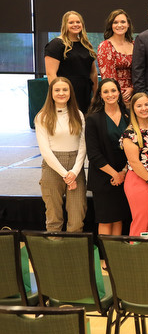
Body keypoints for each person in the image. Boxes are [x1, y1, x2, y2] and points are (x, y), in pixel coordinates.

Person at [35, 77, 87, 232]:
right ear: (51, 93)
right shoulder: (42, 117)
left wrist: (74, 172)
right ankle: (54, 253)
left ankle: (74, 253)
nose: (61, 93)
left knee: (77, 217)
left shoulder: (78, 115)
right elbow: (45, 151)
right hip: (52, 168)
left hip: (75, 168)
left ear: (70, 92)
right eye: (57, 90)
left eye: (65, 89)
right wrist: (65, 174)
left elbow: (83, 146)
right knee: (53, 217)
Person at [85, 78, 130, 236]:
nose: (110, 94)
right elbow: (93, 154)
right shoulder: (93, 119)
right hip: (103, 177)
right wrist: (115, 174)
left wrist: (123, 172)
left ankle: (114, 257)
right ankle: (106, 259)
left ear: (119, 92)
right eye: (106, 91)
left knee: (118, 218)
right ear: (100, 95)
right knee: (105, 219)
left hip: (125, 175)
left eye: (113, 90)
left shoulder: (128, 115)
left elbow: (135, 147)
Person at [121, 92, 148, 236]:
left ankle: (147, 257)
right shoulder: (130, 133)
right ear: (133, 109)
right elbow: (134, 161)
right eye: (139, 106)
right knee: (141, 222)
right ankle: (134, 256)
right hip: (139, 180)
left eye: (146, 104)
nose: (144, 108)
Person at [44, 11, 97, 113]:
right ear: (65, 25)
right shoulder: (56, 44)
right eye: (71, 22)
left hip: (85, 93)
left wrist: (95, 95)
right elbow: (51, 74)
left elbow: (93, 72)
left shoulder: (86, 44)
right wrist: (60, 94)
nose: (75, 25)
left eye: (78, 22)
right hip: (66, 93)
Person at [96, 9, 134, 105]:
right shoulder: (105, 46)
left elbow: (141, 70)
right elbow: (108, 77)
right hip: (115, 96)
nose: (119, 25)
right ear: (111, 26)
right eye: (115, 22)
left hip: (136, 94)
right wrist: (119, 94)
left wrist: (133, 89)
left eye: (123, 22)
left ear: (128, 24)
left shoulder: (135, 44)